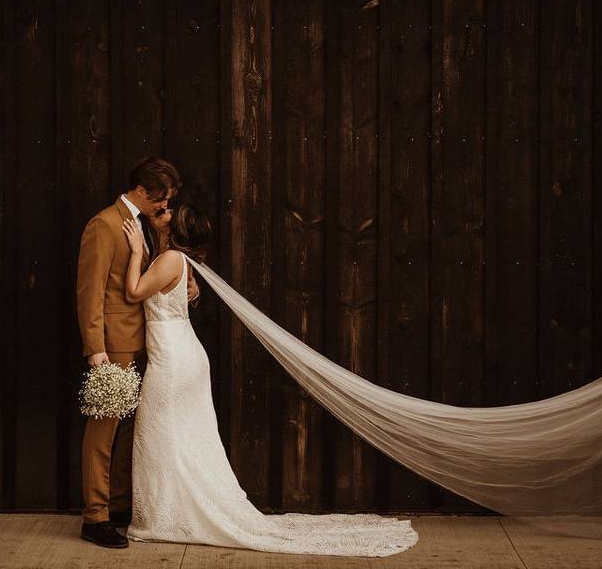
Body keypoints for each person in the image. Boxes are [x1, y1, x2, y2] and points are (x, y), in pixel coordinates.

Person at [119, 204, 419, 557]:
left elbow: (134, 293)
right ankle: (169, 513)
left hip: (173, 359)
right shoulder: (178, 262)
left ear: (177, 229)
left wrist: (136, 251)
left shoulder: (169, 259)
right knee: (180, 436)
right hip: (180, 353)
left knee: (159, 432)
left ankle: (162, 517)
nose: (164, 213)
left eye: (171, 212)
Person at [75, 157, 199, 549]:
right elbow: (89, 293)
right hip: (114, 346)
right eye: (161, 199)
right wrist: (96, 350)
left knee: (130, 431)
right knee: (103, 430)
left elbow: (157, 275)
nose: (166, 208)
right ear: (143, 192)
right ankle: (95, 517)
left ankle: (119, 506)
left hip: (150, 345)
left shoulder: (145, 225)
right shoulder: (104, 224)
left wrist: (188, 285)